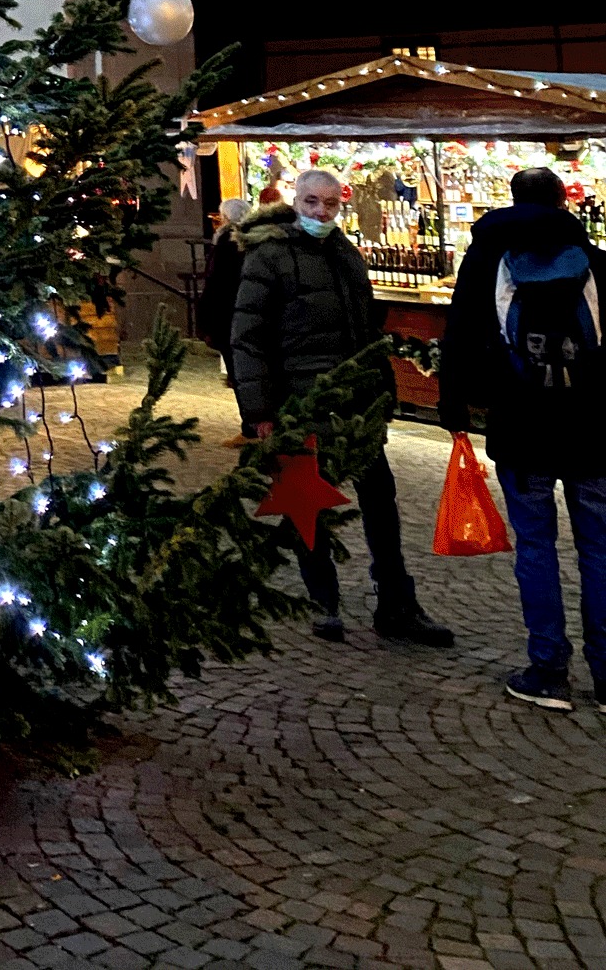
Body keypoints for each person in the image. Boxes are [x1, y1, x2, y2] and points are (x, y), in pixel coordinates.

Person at [231, 166, 453, 647]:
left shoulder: (344, 252)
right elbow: (248, 338)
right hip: (300, 402)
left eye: (330, 204)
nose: (321, 212)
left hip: (356, 403)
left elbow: (364, 328)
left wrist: (381, 388)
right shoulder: (268, 256)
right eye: (312, 202)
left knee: (381, 502)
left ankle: (396, 603)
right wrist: (260, 411)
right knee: (306, 503)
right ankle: (323, 601)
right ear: (295, 201)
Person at [438, 163, 606, 713]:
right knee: (600, 549)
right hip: (592, 429)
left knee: (536, 547)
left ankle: (548, 670)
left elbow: (460, 332)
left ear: (511, 201)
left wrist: (455, 406)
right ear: (563, 200)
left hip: (520, 426)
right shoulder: (594, 261)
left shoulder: (487, 256)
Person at [196, 195, 253, 444]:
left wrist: (206, 322)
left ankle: (250, 428)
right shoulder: (253, 242)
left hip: (229, 317)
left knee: (240, 374)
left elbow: (215, 285)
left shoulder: (226, 244)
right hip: (246, 316)